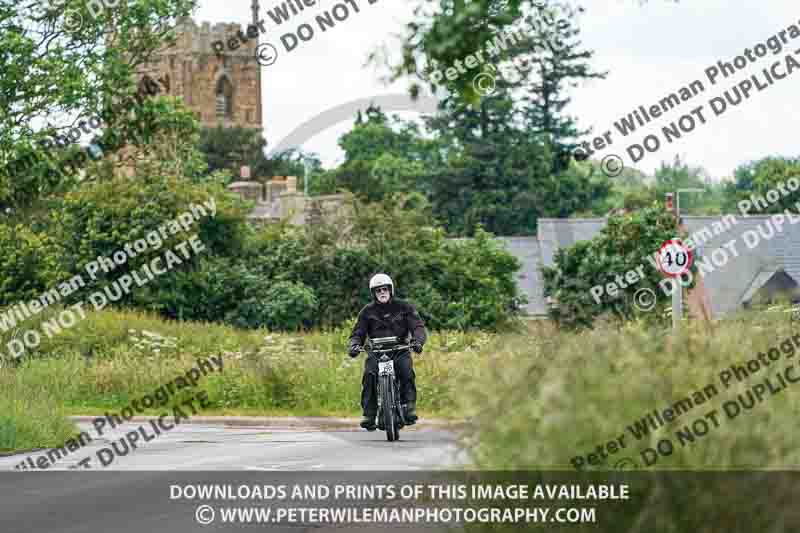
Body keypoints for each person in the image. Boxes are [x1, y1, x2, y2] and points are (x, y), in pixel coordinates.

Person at [348, 273, 427, 431]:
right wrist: (354, 345)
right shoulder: (366, 311)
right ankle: (369, 414)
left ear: (390, 290)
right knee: (369, 375)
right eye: (378, 291)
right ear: (374, 293)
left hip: (399, 350)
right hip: (377, 352)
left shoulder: (404, 307)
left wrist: (418, 341)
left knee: (406, 372)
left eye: (384, 289)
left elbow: (418, 326)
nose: (382, 293)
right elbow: (358, 332)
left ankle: (408, 407)